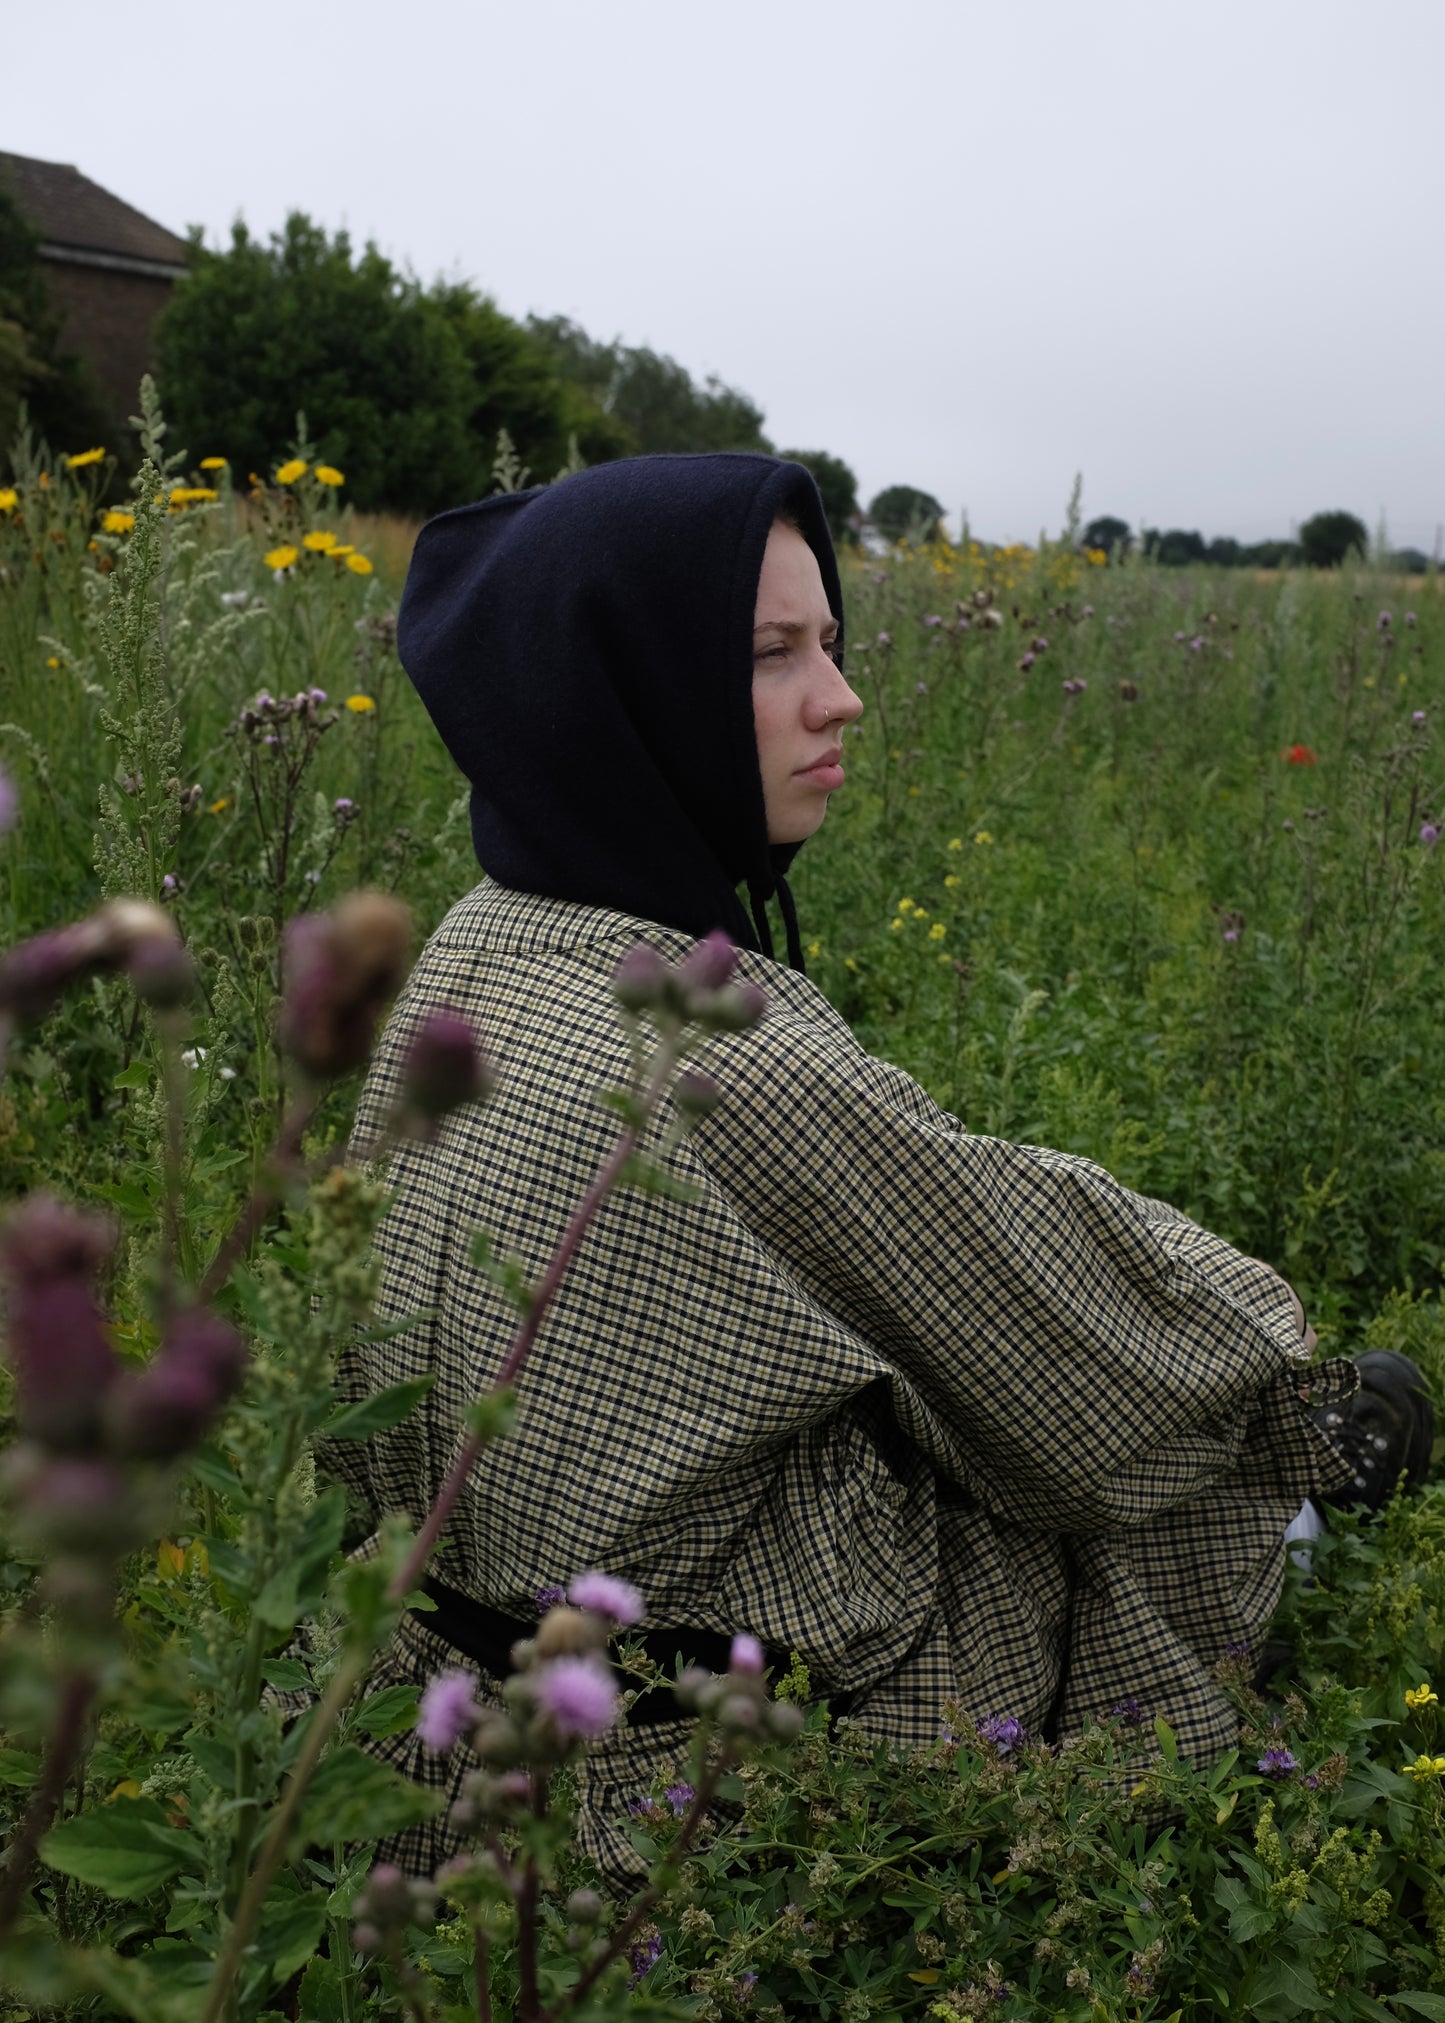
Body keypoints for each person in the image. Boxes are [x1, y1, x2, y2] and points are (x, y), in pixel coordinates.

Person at [325, 453, 1433, 1882]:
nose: (839, 697)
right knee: (1177, 1446)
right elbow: (1060, 1337)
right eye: (769, 653)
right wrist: (1283, 1360)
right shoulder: (724, 1053)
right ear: (628, 689)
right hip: (702, 1749)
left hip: (437, 1685)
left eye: (831, 645)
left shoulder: (478, 945)